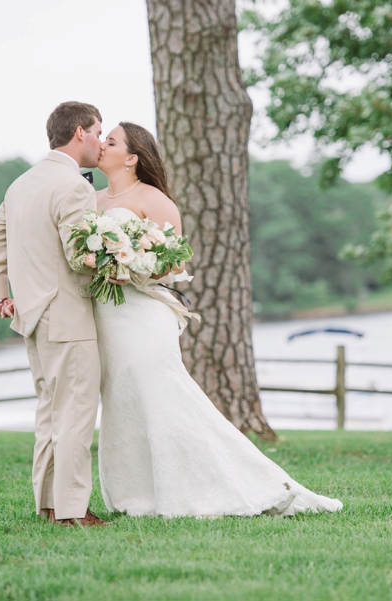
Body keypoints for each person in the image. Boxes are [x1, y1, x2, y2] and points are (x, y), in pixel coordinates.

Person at [93, 122, 343, 517]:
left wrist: (128, 267)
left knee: (164, 397)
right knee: (123, 401)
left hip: (144, 313)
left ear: (132, 157)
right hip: (107, 315)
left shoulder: (154, 199)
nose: (101, 145)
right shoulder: (93, 200)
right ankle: (138, 495)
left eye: (110, 141)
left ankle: (231, 483)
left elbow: (175, 263)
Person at [0, 101, 109, 527]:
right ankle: (72, 511)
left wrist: (0, 293)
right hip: (68, 314)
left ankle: (50, 504)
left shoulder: (22, 183)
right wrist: (120, 266)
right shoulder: (74, 187)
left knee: (51, 413)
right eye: (97, 131)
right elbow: (79, 256)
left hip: (33, 316)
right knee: (74, 415)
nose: (100, 141)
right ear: (79, 133)